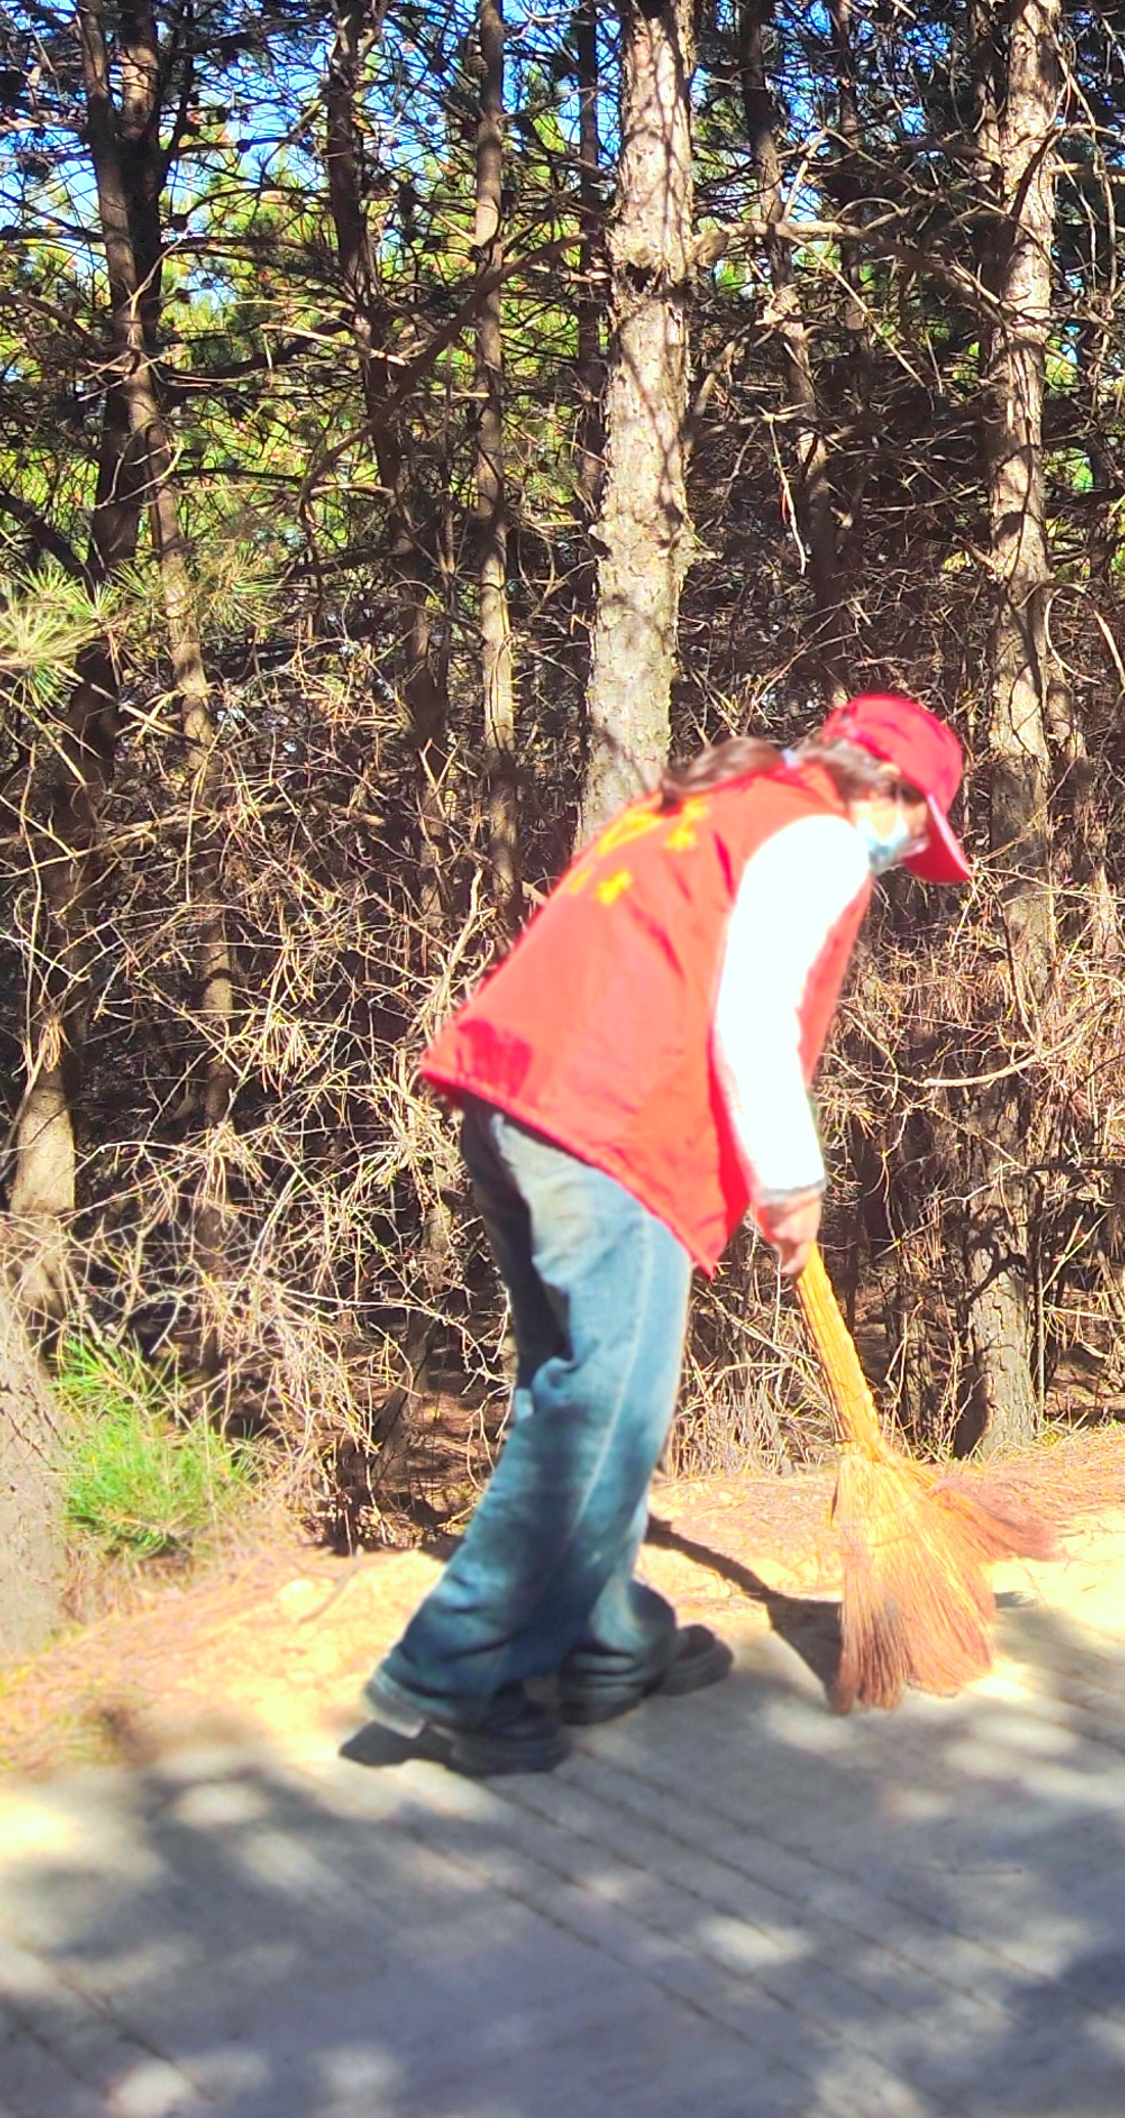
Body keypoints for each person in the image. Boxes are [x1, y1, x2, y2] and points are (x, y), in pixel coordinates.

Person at [365, 694, 974, 1776]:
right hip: (611, 1129)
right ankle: (459, 1667)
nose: (906, 853)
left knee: (584, 1387)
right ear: (883, 785)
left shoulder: (706, 800)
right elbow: (751, 1014)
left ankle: (605, 1643)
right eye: (918, 827)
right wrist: (790, 1179)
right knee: (604, 1404)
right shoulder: (819, 836)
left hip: (516, 1103)